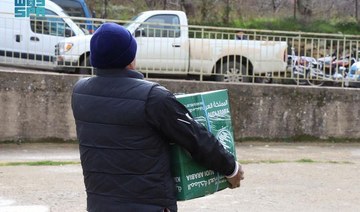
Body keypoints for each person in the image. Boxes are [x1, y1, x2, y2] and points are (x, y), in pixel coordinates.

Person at [71, 22, 244, 212]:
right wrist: (231, 169)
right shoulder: (153, 97)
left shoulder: (80, 93)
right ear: (130, 57)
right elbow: (196, 138)